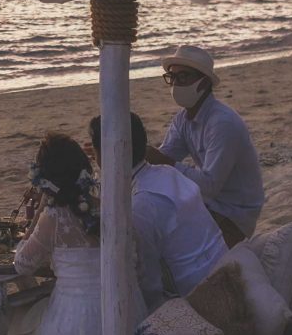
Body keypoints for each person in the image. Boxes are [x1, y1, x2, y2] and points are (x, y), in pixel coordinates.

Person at [89, 111, 228, 312]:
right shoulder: (167, 172)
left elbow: (149, 282)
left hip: (193, 294)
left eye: (95, 151)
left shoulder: (141, 204)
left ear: (104, 154)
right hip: (220, 268)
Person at [151, 44, 264, 242]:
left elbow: (210, 185)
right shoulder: (183, 119)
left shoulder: (222, 123)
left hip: (233, 216)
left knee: (164, 238)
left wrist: (165, 163)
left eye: (183, 77)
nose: (176, 84)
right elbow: (164, 157)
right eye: (172, 77)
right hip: (208, 205)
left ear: (203, 83)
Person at [15, 133, 104, 335]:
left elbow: (22, 265)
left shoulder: (53, 218)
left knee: (20, 321)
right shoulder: (105, 206)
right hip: (118, 312)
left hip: (74, 321)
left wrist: (39, 212)